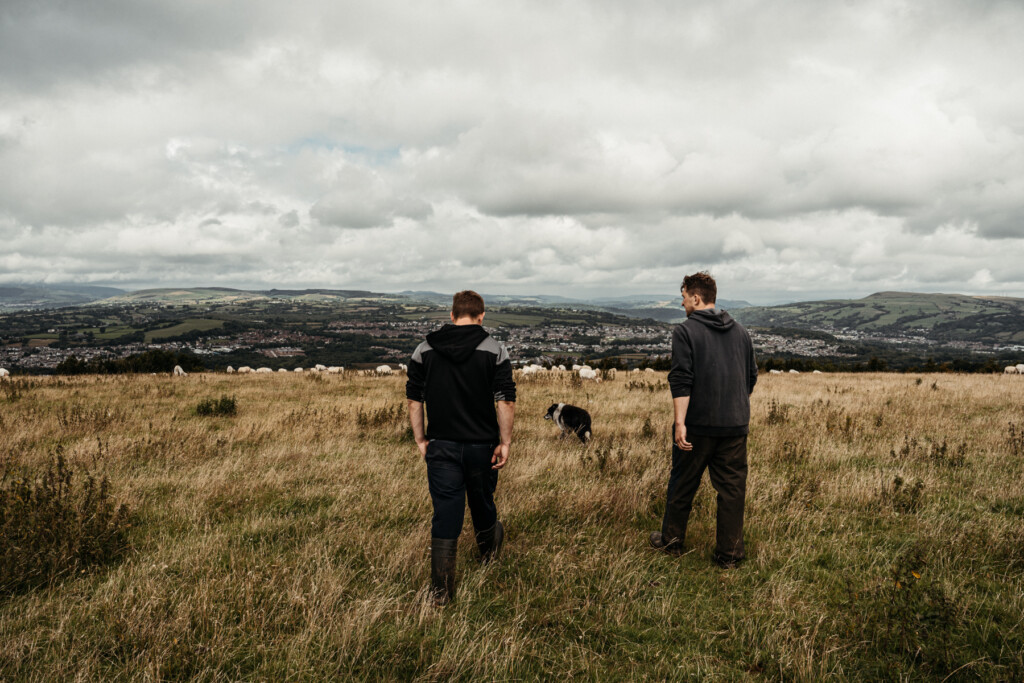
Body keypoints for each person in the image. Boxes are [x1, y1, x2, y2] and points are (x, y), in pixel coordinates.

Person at [406, 290, 516, 603]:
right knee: (482, 501)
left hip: (441, 445)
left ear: (452, 316)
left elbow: (415, 399)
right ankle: (489, 557)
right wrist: (505, 442)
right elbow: (505, 399)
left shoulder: (424, 349)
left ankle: (441, 592)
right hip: (482, 445)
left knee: (446, 511)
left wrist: (420, 439)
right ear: (481, 316)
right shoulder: (495, 349)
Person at [649, 272, 758, 568]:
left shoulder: (685, 332)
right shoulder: (741, 332)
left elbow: (682, 379)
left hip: (697, 425)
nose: (682, 302)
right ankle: (730, 555)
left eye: (684, 296)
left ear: (696, 298)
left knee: (683, 483)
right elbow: (751, 378)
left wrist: (680, 422)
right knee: (732, 491)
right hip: (735, 426)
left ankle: (671, 541)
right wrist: (732, 406)